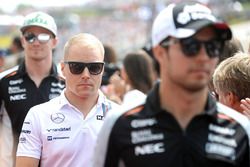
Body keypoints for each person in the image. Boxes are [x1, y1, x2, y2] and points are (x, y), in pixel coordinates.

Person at [93, 1, 250, 167]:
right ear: (160, 52)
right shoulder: (120, 124)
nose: (204, 56)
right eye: (191, 46)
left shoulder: (239, 129)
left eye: (212, 46)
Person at [16, 33, 120, 167]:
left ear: (103, 69)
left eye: (94, 67)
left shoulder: (118, 116)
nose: (86, 75)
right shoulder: (38, 116)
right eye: (77, 67)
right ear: (63, 69)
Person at [0, 11, 65, 167]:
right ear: (23, 41)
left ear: (54, 42)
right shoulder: (4, 81)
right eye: (30, 36)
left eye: (43, 36)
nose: (36, 42)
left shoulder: (67, 81)